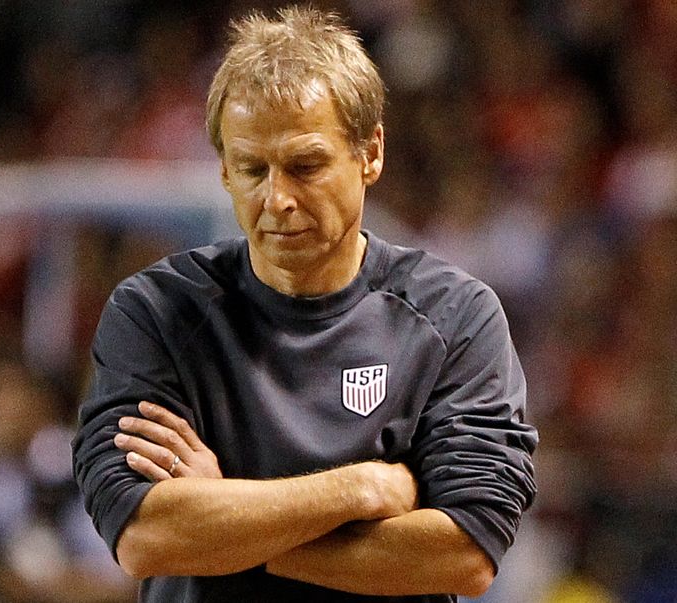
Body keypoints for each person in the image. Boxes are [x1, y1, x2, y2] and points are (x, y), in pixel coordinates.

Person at [72, 6, 538, 602]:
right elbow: (145, 537)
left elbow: (465, 552)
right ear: (223, 171)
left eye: (305, 165)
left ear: (370, 152)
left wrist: (225, 523)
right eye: (251, 169)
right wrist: (361, 490)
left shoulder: (455, 318)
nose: (278, 199)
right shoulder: (156, 314)